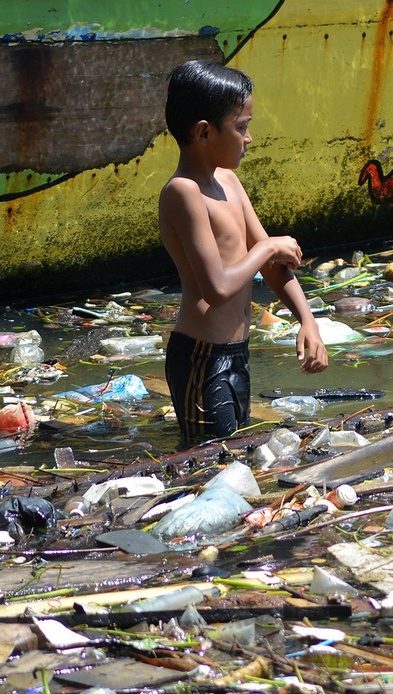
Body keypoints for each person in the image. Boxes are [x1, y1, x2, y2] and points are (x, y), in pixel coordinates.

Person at [159, 59, 328, 443]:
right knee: (207, 462)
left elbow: (273, 268)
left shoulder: (229, 182)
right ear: (204, 133)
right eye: (241, 127)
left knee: (234, 452)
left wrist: (307, 319)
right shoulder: (183, 192)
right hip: (201, 357)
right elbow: (216, 288)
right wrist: (267, 247)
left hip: (237, 352)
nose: (248, 138)